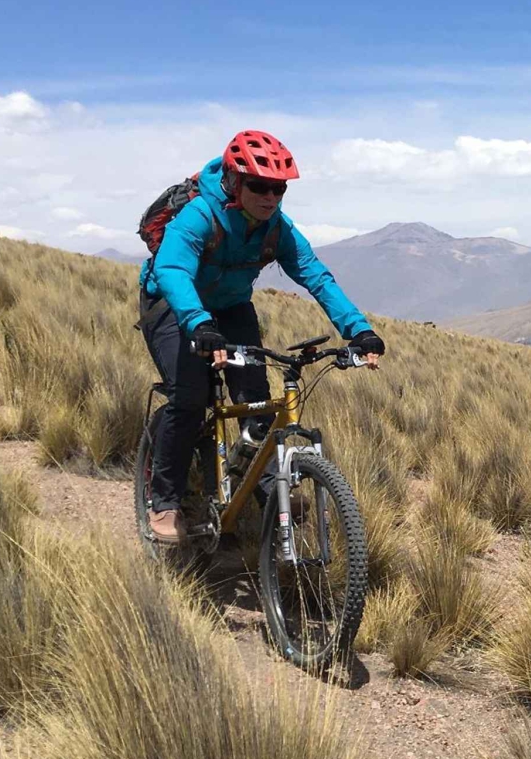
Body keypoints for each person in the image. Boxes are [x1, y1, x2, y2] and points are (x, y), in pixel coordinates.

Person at [138, 130, 385, 545]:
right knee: (190, 396)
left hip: (231, 308)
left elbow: (316, 276)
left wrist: (358, 329)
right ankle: (164, 501)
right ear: (235, 182)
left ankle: (271, 490)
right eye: (259, 186)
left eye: (278, 188)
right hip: (172, 304)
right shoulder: (201, 215)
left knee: (255, 395)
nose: (270, 196)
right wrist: (198, 322)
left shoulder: (277, 228)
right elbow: (173, 269)